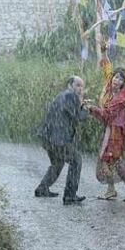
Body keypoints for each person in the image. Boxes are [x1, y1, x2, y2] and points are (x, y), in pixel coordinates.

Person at [86, 47, 125, 201]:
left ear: (123, 84)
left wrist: (91, 109)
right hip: (110, 129)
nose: (116, 80)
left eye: (120, 79)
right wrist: (103, 52)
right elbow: (106, 68)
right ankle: (113, 189)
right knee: (111, 159)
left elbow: (107, 115)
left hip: (115, 132)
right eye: (116, 77)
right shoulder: (109, 90)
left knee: (111, 158)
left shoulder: (120, 99)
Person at [35, 76, 89, 205]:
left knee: (57, 162)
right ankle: (70, 196)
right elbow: (77, 117)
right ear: (70, 85)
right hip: (59, 138)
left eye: (82, 86)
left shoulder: (62, 95)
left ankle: (42, 189)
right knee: (76, 161)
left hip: (47, 137)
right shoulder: (71, 96)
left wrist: (80, 105)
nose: (80, 89)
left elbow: (68, 113)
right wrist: (86, 109)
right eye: (78, 85)